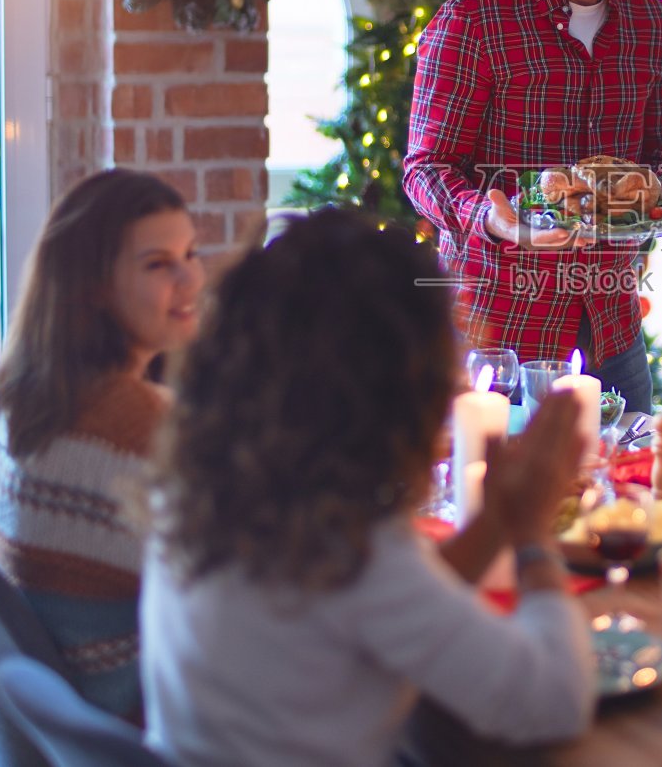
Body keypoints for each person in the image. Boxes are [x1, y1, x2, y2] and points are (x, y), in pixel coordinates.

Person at [141, 208, 594, 766]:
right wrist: (531, 535)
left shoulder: (210, 487)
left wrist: (498, 517)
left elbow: (390, 606)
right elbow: (554, 702)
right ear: (388, 384)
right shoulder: (347, 550)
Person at [403, 0, 662, 418]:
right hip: (494, 338)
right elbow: (425, 169)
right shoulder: (472, 23)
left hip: (611, 331)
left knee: (624, 496)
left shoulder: (657, 27)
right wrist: (492, 216)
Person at [0, 168, 203, 720]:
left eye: (190, 254)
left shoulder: (19, 388)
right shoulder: (139, 423)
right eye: (159, 264)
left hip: (65, 710)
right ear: (93, 286)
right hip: (139, 712)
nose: (190, 280)